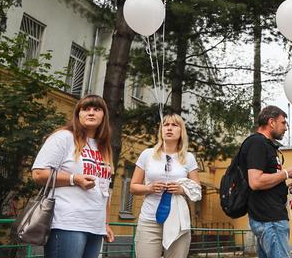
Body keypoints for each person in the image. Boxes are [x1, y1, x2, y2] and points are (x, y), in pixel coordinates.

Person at [32, 95, 115, 258]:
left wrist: (105, 223)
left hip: (95, 226)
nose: (91, 113)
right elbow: (38, 173)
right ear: (78, 114)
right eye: (86, 109)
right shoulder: (63, 137)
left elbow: (104, 189)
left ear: (104, 116)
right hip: (67, 222)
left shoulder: (104, 147)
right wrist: (74, 179)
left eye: (97, 109)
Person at [130, 113, 202, 258]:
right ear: (161, 130)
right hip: (150, 220)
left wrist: (181, 189)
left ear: (181, 131)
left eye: (174, 125)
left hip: (178, 221)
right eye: (166, 125)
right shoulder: (147, 154)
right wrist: (149, 188)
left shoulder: (189, 158)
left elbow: (197, 190)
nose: (169, 128)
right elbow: (133, 187)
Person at [240, 105, 292, 258]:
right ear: (271, 122)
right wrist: (286, 173)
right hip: (269, 220)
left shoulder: (266, 145)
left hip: (269, 218)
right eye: (283, 123)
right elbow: (255, 181)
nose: (285, 128)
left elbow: (265, 182)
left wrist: (285, 188)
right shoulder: (257, 143)